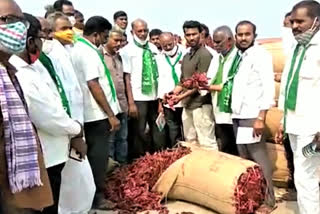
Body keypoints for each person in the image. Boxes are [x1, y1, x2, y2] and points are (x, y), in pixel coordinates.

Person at [9, 13, 84, 214]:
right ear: (31, 41)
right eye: (42, 38)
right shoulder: (20, 73)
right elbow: (46, 115)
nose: (44, 44)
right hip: (45, 156)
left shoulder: (33, 67)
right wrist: (76, 129)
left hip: (54, 151)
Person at [0, 1, 53, 213]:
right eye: (8, 20)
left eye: (21, 22)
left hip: (15, 191)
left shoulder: (9, 72)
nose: (19, 28)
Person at [44, 12, 95, 214]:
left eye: (70, 28)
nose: (69, 32)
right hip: (67, 129)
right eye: (63, 29)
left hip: (74, 126)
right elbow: (60, 97)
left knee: (81, 184)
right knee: (72, 185)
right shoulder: (52, 55)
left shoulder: (68, 52)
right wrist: (75, 133)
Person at [70, 16, 121, 210]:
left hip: (89, 113)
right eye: (105, 36)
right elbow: (93, 84)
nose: (105, 40)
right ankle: (97, 197)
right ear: (96, 34)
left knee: (91, 156)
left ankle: (90, 195)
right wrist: (110, 114)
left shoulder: (78, 48)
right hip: (97, 114)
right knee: (98, 158)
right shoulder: (87, 52)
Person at [275, 1, 320, 213]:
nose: (294, 26)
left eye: (300, 21)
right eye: (292, 21)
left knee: (305, 177)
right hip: (294, 125)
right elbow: (287, 87)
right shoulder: (296, 48)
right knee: (303, 175)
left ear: (317, 21)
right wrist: (282, 122)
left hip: (312, 129)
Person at [231, 20, 276, 212]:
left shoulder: (261, 55)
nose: (243, 38)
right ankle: (253, 197)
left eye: (247, 34)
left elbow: (268, 87)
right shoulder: (239, 57)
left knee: (259, 159)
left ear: (254, 36)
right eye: (240, 35)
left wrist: (261, 117)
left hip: (252, 115)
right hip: (238, 115)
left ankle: (269, 201)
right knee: (245, 159)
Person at [121, 19, 166, 159]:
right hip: (138, 97)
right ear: (132, 32)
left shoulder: (153, 48)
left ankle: (158, 157)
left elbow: (160, 74)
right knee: (139, 131)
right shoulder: (126, 51)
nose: (143, 33)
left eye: (145, 30)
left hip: (154, 96)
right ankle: (139, 160)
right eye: (139, 31)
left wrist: (161, 99)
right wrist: (131, 102)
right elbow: (126, 78)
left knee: (158, 129)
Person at [170, 20, 216, 148]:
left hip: (201, 106)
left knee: (206, 142)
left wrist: (180, 97)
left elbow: (201, 85)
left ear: (201, 34)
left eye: (194, 34)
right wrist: (172, 94)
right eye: (188, 35)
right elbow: (182, 81)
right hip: (187, 105)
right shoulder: (186, 56)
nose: (191, 38)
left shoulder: (205, 55)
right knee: (190, 142)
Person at [205, 25, 239, 155]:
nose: (215, 45)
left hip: (233, 111)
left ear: (230, 40)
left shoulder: (238, 57)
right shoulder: (217, 58)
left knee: (237, 148)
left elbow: (231, 83)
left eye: (219, 42)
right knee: (225, 146)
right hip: (219, 110)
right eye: (214, 41)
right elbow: (209, 79)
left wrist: (208, 87)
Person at [103, 28, 129, 164]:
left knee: (123, 138)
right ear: (107, 38)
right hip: (108, 106)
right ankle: (111, 169)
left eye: (121, 41)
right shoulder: (99, 56)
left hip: (122, 104)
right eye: (116, 40)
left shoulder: (120, 57)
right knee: (110, 140)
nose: (119, 44)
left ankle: (123, 168)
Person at [158, 32, 186, 147]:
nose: (168, 48)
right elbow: (159, 79)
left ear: (175, 40)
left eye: (170, 44)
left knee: (186, 130)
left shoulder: (186, 53)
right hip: (168, 101)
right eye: (165, 46)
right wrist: (160, 101)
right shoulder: (159, 58)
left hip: (184, 99)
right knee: (173, 130)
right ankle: (176, 153)